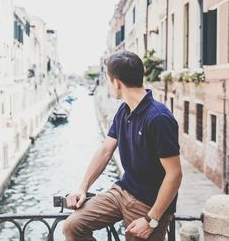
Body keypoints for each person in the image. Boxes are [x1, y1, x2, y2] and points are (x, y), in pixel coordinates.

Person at [63, 51, 182, 241]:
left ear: (116, 83)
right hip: (122, 191)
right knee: (72, 227)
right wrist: (82, 188)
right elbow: (105, 151)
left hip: (149, 205)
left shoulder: (159, 118)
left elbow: (175, 174)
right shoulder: (124, 109)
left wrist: (151, 219)